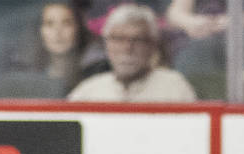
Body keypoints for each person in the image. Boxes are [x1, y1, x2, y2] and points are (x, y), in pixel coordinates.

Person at [68, 4, 197, 102]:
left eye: (137, 40)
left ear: (152, 45)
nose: (127, 47)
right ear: (106, 44)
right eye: (119, 39)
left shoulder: (174, 88)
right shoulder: (88, 91)